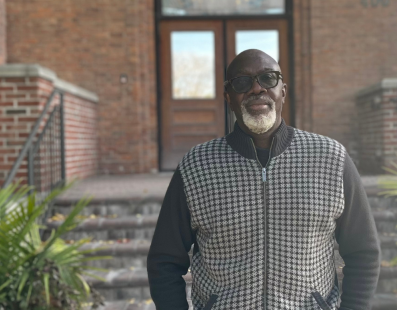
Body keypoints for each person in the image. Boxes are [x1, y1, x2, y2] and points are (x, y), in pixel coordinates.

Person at [147, 49, 380, 310]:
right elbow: (164, 261)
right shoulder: (197, 166)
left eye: (268, 78)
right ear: (228, 97)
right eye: (242, 82)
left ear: (283, 90)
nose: (257, 88)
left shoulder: (331, 158)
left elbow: (363, 252)